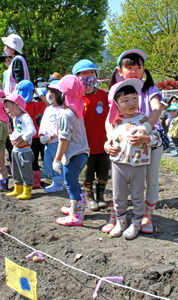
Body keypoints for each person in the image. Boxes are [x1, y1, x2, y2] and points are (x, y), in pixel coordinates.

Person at [106, 49, 169, 233]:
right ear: (120, 70)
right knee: (119, 182)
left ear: (144, 69)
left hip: (150, 141)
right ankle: (117, 216)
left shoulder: (149, 89)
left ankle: (147, 216)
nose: (134, 70)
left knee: (150, 179)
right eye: (129, 67)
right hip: (124, 143)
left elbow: (156, 110)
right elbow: (109, 119)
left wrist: (146, 129)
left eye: (138, 67)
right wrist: (109, 139)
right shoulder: (116, 92)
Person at [51, 75, 90, 227]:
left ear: (64, 95)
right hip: (82, 153)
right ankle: (76, 207)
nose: (54, 96)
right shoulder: (76, 110)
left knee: (71, 184)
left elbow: (64, 140)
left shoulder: (65, 115)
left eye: (57, 93)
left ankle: (77, 216)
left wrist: (57, 158)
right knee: (75, 184)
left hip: (73, 155)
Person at [73, 59, 110, 211]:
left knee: (103, 172)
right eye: (84, 73)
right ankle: (90, 197)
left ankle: (101, 196)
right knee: (87, 174)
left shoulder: (103, 95)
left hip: (103, 142)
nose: (89, 75)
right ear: (77, 77)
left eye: (92, 72)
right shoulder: (75, 98)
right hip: (84, 145)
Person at [4, 94, 36, 200]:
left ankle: (27, 191)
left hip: (24, 151)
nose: (6, 109)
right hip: (16, 150)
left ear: (16, 105)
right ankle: (18, 188)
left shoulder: (25, 117)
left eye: (7, 106)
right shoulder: (15, 118)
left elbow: (32, 131)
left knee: (25, 171)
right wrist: (13, 138)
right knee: (16, 171)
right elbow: (17, 130)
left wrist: (21, 138)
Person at [17, 80, 46, 188]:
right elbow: (47, 105)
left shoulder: (17, 105)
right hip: (36, 135)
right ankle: (36, 182)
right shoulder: (33, 105)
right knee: (38, 159)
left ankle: (29, 181)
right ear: (32, 93)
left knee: (28, 161)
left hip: (23, 136)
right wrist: (41, 94)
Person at [38, 80, 65, 192]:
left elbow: (63, 127)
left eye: (49, 93)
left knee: (57, 164)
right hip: (47, 141)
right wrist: (42, 134)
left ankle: (59, 183)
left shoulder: (63, 110)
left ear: (56, 94)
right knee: (48, 165)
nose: (47, 95)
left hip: (56, 142)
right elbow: (43, 122)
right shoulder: (48, 109)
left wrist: (54, 134)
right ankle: (55, 180)